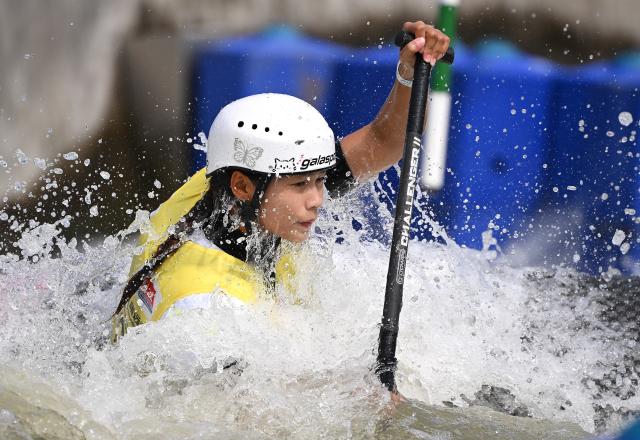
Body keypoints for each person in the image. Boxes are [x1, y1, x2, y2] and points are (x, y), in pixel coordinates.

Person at [111, 21, 450, 341]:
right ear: (242, 187)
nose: (317, 199)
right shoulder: (209, 308)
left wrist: (409, 76)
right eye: (301, 185)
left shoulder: (223, 184)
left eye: (319, 181)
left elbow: (383, 142)